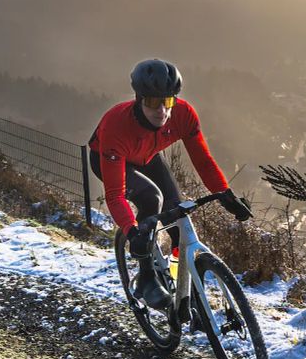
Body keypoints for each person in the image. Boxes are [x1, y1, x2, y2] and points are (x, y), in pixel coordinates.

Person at [88, 58, 250, 309]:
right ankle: (146, 278)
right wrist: (132, 232)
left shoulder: (184, 114)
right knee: (151, 198)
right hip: (109, 159)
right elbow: (115, 195)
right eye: (153, 102)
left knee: (177, 211)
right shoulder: (116, 126)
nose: (162, 110)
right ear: (139, 99)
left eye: (168, 101)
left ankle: (180, 280)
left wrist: (225, 195)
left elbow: (204, 161)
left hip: (149, 156)